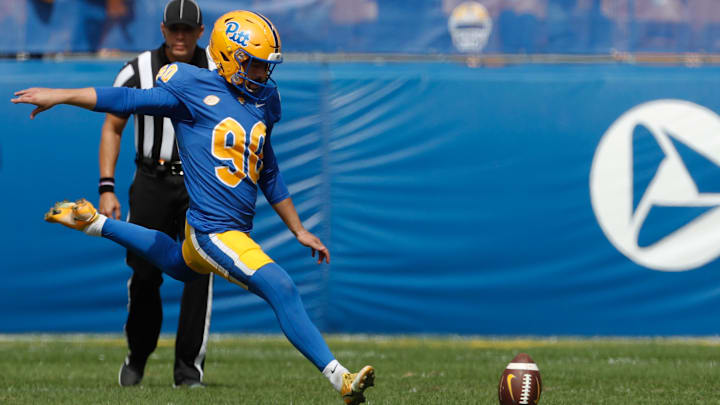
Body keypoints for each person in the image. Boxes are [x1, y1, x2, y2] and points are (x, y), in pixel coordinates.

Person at [12, 9, 375, 405]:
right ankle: (341, 378)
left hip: (224, 230)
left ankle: (94, 222)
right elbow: (127, 98)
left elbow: (267, 167)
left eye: (265, 66)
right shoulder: (189, 86)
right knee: (281, 287)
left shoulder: (266, 99)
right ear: (228, 58)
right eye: (253, 64)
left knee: (179, 264)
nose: (261, 74)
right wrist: (62, 96)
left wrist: (298, 228)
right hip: (212, 229)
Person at [97, 0, 212, 388]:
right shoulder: (137, 70)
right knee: (144, 273)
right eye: (174, 28)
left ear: (200, 31)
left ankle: (188, 369)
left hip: (202, 184)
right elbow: (113, 126)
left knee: (200, 272)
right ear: (163, 30)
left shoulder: (219, 69)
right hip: (151, 178)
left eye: (188, 29)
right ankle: (138, 355)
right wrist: (107, 186)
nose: (180, 36)